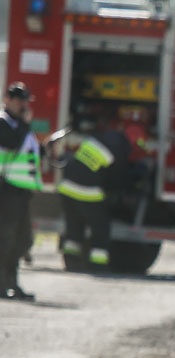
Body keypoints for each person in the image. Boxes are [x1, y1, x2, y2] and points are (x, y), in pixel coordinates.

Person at [58, 116, 132, 272]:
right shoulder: (118, 153)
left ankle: (71, 262)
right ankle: (98, 265)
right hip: (88, 193)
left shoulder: (94, 140)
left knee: (74, 227)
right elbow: (116, 181)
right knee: (101, 229)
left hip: (66, 188)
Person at [0, 82, 42, 301]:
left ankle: (12, 283)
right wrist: (26, 125)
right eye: (19, 100)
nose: (23, 105)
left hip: (20, 192)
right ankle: (3, 284)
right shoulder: (4, 123)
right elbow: (13, 144)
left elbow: (27, 151)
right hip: (5, 191)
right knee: (5, 239)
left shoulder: (20, 125)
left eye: (25, 100)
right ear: (7, 100)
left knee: (22, 239)